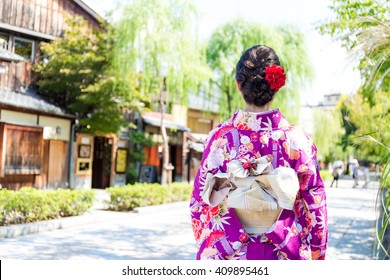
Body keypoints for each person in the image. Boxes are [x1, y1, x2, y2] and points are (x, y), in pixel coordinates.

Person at [190, 45, 328, 260]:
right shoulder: (298, 141)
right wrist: (317, 256)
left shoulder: (219, 139)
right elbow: (315, 206)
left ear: (238, 85)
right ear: (277, 87)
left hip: (229, 256)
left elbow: (199, 202)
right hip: (283, 255)